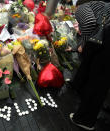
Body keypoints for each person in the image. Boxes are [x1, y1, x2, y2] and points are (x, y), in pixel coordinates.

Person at [44, 0, 110, 130]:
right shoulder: (99, 5)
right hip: (104, 41)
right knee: (93, 71)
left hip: (106, 45)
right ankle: (78, 87)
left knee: (98, 81)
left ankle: (85, 120)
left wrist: (84, 44)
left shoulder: (81, 8)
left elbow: (90, 24)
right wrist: (80, 46)